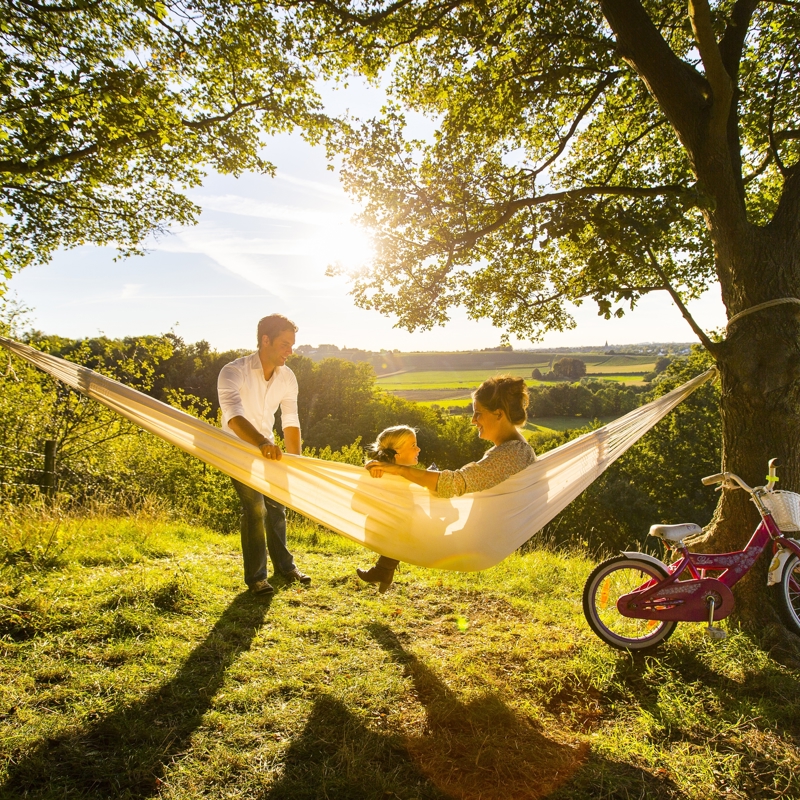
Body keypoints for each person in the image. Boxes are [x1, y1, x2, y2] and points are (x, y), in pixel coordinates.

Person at [217, 314, 311, 595]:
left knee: (277, 506)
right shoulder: (233, 372)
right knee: (255, 508)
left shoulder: (288, 377)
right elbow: (233, 417)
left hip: (267, 448)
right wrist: (260, 443)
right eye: (285, 344)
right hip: (236, 449)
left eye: (292, 345)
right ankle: (257, 578)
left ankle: (286, 566)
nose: (290, 352)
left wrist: (296, 461)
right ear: (265, 340)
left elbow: (291, 420)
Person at [365, 374, 535, 517]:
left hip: (479, 543)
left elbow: (455, 483)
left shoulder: (513, 454)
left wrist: (399, 470)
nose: (473, 420)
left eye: (478, 413)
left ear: (498, 414)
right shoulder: (510, 451)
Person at [356, 425, 421, 592]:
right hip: (383, 528)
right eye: (413, 445)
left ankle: (384, 571)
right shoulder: (380, 474)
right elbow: (359, 500)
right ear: (397, 453)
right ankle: (383, 570)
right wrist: (370, 466)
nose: (419, 449)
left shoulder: (405, 476)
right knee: (403, 520)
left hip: (401, 530)